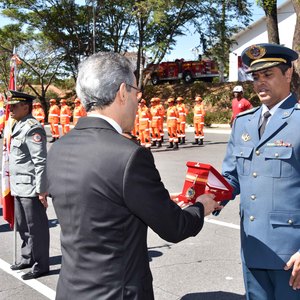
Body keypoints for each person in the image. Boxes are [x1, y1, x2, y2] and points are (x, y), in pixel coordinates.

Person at [46, 52, 219, 300]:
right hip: (118, 292)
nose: (138, 102)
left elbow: (97, 198)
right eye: (137, 93)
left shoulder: (60, 147)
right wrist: (201, 207)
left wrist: (152, 196)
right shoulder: (130, 155)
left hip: (71, 290)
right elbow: (174, 228)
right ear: (122, 92)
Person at [222, 43, 300, 299]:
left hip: (292, 257)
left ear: (288, 74)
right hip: (253, 248)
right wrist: (202, 197)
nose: (260, 83)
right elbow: (230, 178)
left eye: (268, 75)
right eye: (256, 77)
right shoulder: (244, 122)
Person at [7, 90, 49, 280]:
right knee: (23, 226)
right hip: (18, 186)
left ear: (25, 106)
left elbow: (40, 162)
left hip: (31, 189)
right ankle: (27, 257)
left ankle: (41, 264)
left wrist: (41, 190)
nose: (10, 110)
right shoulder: (19, 125)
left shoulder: (33, 128)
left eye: (14, 106)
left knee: (36, 229)